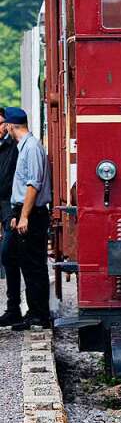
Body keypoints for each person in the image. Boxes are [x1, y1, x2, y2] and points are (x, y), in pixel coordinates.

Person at [3, 108, 51, 328]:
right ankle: (30, 311)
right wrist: (17, 214)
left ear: (12, 126)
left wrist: (23, 216)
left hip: (32, 214)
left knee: (33, 266)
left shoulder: (30, 148)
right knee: (19, 259)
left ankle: (39, 314)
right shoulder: (26, 147)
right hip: (24, 212)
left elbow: (33, 185)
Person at [0, 109, 20, 326]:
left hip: (9, 208)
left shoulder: (13, 148)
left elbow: (9, 181)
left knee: (8, 256)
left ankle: (13, 307)